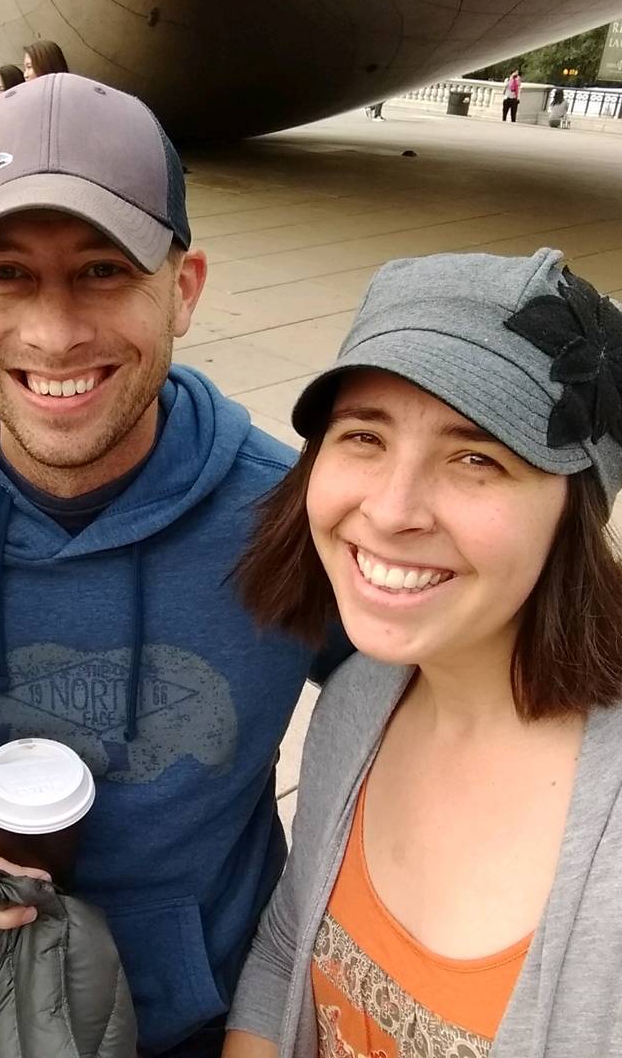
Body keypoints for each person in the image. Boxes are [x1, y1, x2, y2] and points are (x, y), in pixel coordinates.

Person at [0, 73, 316, 1058]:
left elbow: (414, 718)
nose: (55, 334)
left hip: (216, 1027)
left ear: (182, 288)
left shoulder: (290, 514)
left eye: (103, 270)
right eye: (8, 273)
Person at [224, 248, 622, 1057]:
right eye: (363, 435)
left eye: (477, 457)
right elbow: (284, 951)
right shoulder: (362, 697)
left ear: (574, 508)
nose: (393, 509)